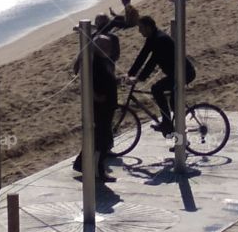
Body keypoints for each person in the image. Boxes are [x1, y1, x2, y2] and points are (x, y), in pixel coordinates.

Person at [72, 15, 120, 182]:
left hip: (107, 105)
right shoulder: (94, 62)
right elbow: (87, 80)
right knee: (101, 140)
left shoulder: (102, 61)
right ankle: (96, 171)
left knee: (100, 138)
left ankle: (82, 164)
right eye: (106, 47)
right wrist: (95, 96)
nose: (110, 50)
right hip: (100, 106)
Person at [127, 15, 193, 137]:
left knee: (157, 90)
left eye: (141, 28)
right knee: (168, 98)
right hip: (176, 74)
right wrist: (129, 74)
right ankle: (171, 127)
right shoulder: (152, 38)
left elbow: (152, 61)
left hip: (185, 73)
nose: (139, 31)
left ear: (148, 27)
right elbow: (142, 56)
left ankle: (169, 126)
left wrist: (139, 78)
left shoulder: (160, 39)